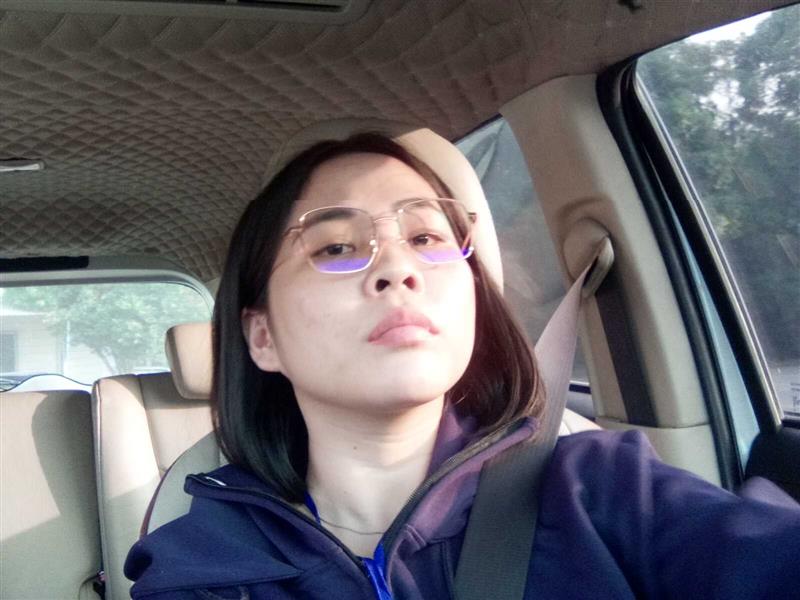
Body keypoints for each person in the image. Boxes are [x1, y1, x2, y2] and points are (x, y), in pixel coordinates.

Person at [125, 132, 800, 599]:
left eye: (425, 236)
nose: (399, 268)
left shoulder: (602, 488)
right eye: (335, 248)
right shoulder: (202, 566)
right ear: (262, 336)